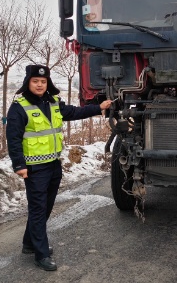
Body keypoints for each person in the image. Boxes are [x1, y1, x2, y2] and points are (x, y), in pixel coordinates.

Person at [6, 64, 112, 271]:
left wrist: (99, 108)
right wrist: (19, 164)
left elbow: (75, 112)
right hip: (34, 168)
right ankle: (41, 254)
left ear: (48, 84)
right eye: (35, 81)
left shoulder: (53, 102)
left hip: (53, 164)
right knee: (37, 209)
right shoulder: (19, 106)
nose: (39, 85)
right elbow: (13, 137)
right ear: (28, 83)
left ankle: (30, 243)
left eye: (43, 82)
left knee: (44, 208)